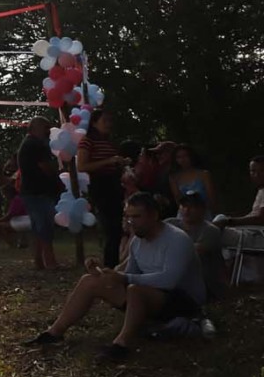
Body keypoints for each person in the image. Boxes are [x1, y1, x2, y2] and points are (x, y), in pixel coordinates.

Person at [24, 193, 204, 360]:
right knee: (90, 281)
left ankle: (121, 344)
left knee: (135, 290)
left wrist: (124, 278)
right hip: (150, 297)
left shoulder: (177, 239)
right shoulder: (137, 241)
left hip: (185, 303)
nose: (131, 222)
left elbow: (169, 280)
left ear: (154, 215)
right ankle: (54, 332)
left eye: (137, 217)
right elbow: (128, 273)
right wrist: (103, 272)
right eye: (128, 216)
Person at [77, 108, 128, 267]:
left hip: (114, 184)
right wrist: (108, 161)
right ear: (94, 123)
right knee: (111, 228)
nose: (108, 124)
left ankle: (114, 262)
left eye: (110, 120)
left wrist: (120, 163)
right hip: (100, 185)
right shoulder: (87, 141)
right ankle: (109, 265)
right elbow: (82, 166)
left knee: (117, 228)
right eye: (104, 120)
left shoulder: (108, 142)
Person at [18, 117, 61, 270]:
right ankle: (49, 261)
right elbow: (45, 166)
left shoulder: (27, 143)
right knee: (45, 226)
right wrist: (57, 179)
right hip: (38, 191)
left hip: (29, 191)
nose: (48, 131)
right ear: (37, 128)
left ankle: (39, 260)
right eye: (46, 127)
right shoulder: (36, 144)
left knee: (38, 227)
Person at [167, 190, 225, 300]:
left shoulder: (211, 231)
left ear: (202, 209)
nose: (186, 210)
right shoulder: (170, 224)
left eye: (192, 207)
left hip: (203, 285)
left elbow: (190, 253)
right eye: (184, 206)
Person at [169, 145, 217, 213]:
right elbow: (178, 200)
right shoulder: (174, 178)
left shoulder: (204, 174)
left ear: (191, 156)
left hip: (205, 211)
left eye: (185, 156)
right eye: (179, 157)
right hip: (186, 213)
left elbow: (212, 197)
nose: (182, 160)